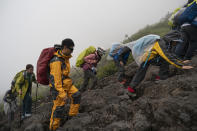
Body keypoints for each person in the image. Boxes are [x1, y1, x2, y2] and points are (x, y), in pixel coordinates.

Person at [108, 34, 193, 97]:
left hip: (141, 53)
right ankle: (162, 78)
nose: (176, 44)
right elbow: (167, 55)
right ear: (171, 40)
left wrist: (181, 62)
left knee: (143, 69)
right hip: (143, 53)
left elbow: (169, 54)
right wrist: (181, 66)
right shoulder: (159, 42)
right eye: (175, 42)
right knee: (163, 60)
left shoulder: (160, 41)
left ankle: (131, 88)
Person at [49, 38, 81, 131]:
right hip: (58, 88)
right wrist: (62, 93)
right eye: (71, 49)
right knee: (58, 108)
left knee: (77, 95)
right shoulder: (56, 61)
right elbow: (55, 80)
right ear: (65, 47)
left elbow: (65, 74)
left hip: (67, 84)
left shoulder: (65, 57)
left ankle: (72, 116)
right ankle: (53, 128)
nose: (72, 51)